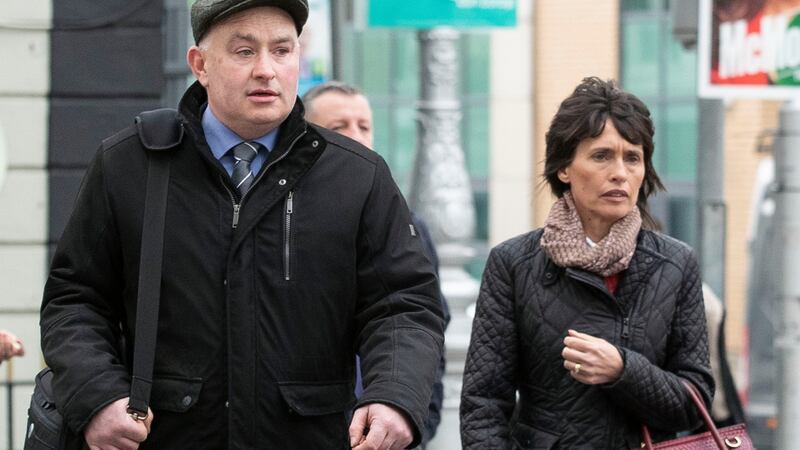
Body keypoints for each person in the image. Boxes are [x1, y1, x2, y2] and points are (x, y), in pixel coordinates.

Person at [39, 1, 445, 449]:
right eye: (244, 51)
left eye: (282, 50)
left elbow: (403, 305)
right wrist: (99, 397)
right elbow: (75, 301)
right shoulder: (129, 165)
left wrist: (394, 395)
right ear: (200, 65)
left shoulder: (357, 176)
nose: (266, 70)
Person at [460, 77, 715, 449]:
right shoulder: (514, 263)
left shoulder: (675, 264)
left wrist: (624, 371)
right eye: (601, 156)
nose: (620, 173)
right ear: (564, 168)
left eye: (632, 158)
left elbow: (695, 402)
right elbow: (483, 403)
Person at [303, 80, 450, 447]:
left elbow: (423, 323)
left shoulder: (405, 225)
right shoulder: (284, 221)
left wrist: (415, 416)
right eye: (339, 127)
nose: (356, 136)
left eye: (364, 126)